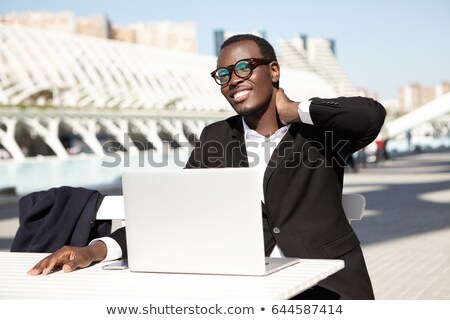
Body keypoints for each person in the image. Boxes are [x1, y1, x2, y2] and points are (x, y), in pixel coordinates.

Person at [28, 34, 386, 299]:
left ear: (273, 70)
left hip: (329, 286)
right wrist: (95, 250)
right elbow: (175, 214)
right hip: (247, 289)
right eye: (223, 74)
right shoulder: (216, 137)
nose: (233, 80)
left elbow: (370, 116)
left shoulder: (321, 131)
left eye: (244, 67)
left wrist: (292, 111)